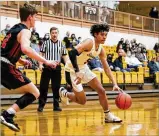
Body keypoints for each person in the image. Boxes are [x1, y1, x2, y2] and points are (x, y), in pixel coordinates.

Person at [0, 3, 58, 132]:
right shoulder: (25, 30)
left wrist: (20, 60)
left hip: (2, 64)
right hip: (5, 67)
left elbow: (6, 49)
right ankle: (7, 115)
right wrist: (46, 61)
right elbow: (26, 48)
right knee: (35, 93)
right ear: (30, 17)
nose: (36, 20)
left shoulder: (14, 29)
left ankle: (7, 114)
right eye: (35, 17)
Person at [59, 23, 122, 123]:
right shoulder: (89, 42)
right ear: (95, 34)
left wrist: (114, 83)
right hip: (71, 70)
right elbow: (71, 53)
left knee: (101, 90)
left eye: (106, 35)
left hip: (84, 68)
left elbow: (106, 68)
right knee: (82, 101)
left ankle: (108, 115)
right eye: (102, 34)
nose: (104, 37)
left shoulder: (101, 49)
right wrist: (77, 72)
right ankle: (64, 93)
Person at [37, 27, 67, 112]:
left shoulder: (61, 44)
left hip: (57, 68)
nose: (54, 34)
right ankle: (41, 106)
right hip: (47, 68)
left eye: (56, 33)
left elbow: (65, 56)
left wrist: (67, 66)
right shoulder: (45, 43)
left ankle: (56, 106)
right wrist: (40, 64)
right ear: (50, 34)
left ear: (58, 34)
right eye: (53, 33)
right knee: (43, 87)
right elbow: (41, 55)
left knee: (56, 87)